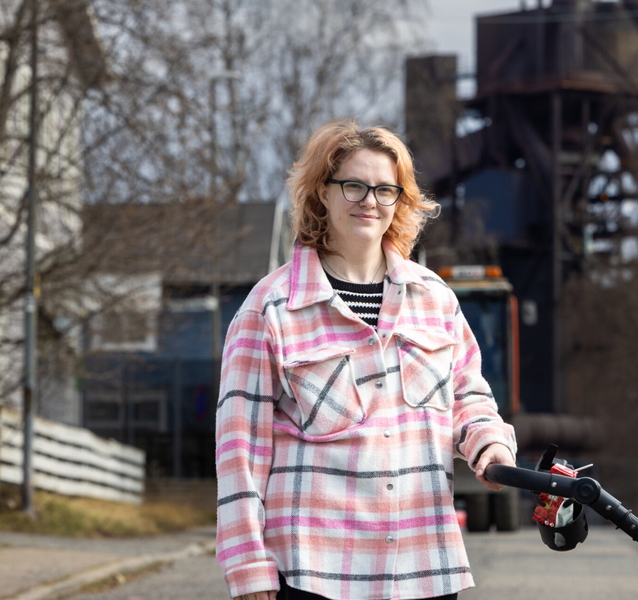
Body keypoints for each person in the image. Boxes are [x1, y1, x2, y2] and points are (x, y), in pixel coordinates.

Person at [215, 119, 518, 600]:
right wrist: (248, 566)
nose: (369, 201)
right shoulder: (269, 308)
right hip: (316, 574)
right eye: (353, 186)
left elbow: (468, 398)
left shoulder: (435, 298)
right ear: (322, 193)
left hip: (425, 568)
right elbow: (240, 451)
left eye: (384, 189)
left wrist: (490, 445)